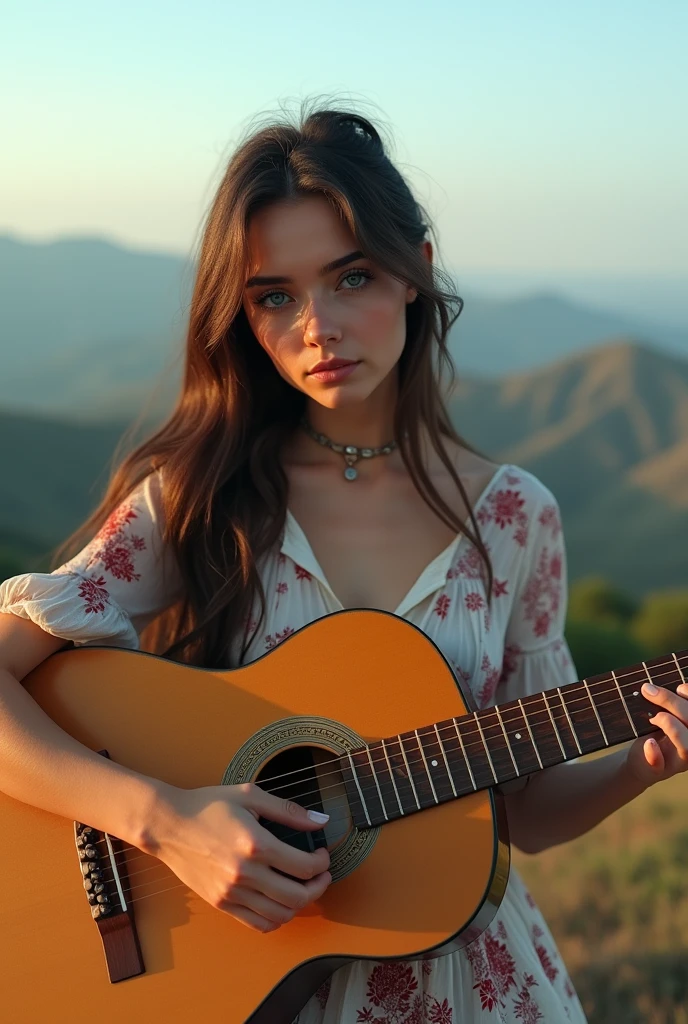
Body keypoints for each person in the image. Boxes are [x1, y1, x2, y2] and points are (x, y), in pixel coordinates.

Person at [1, 100, 687, 1024]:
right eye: (275, 295)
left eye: (351, 277)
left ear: (417, 274)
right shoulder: (200, 500)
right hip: (251, 979)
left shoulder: (518, 517)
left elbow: (518, 810)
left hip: (474, 988)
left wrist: (641, 765)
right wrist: (163, 822)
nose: (317, 325)